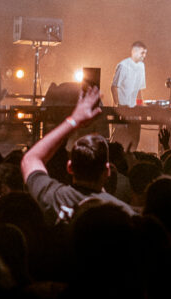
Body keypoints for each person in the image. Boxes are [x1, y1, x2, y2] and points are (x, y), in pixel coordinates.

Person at [19, 84, 132, 221]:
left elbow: (30, 159)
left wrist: (74, 121)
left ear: (70, 167)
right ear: (107, 171)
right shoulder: (126, 216)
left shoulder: (55, 199)